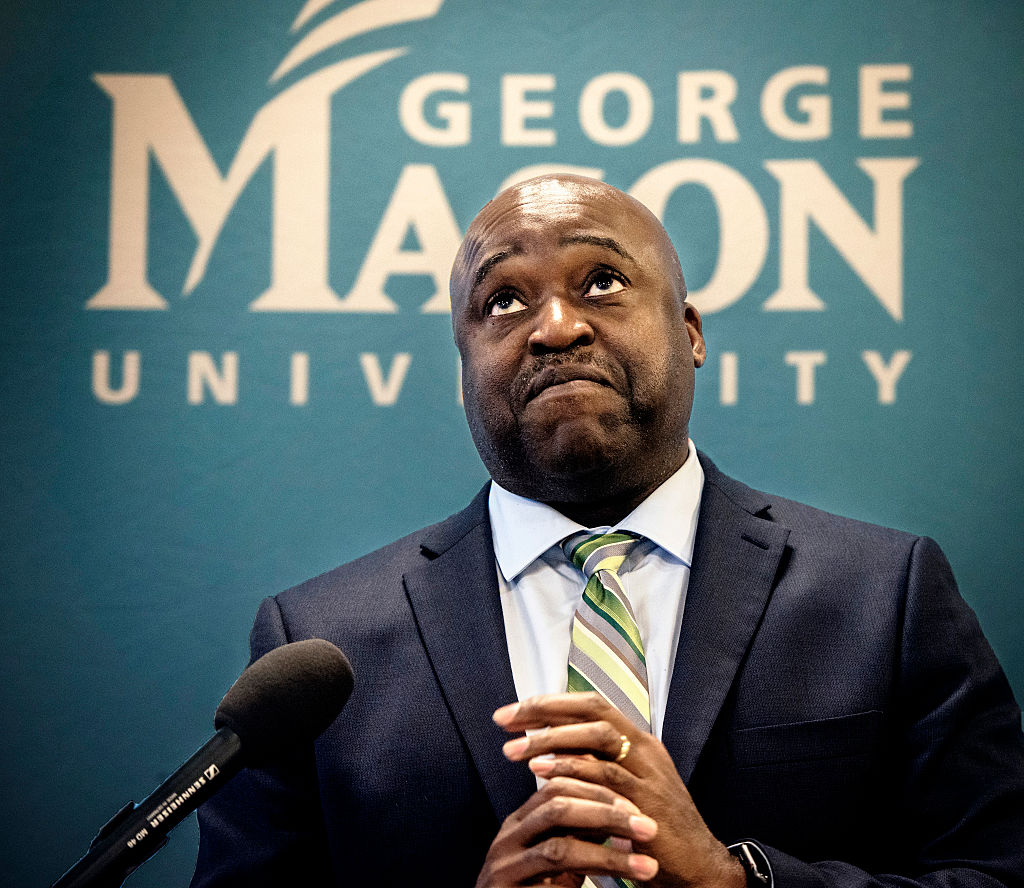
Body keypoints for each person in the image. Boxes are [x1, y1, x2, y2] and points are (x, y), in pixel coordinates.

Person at [191, 176, 1024, 887]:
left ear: (690, 332)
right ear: (463, 367)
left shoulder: (884, 596)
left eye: (600, 283)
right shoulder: (319, 648)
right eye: (504, 300)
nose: (555, 326)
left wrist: (736, 879)